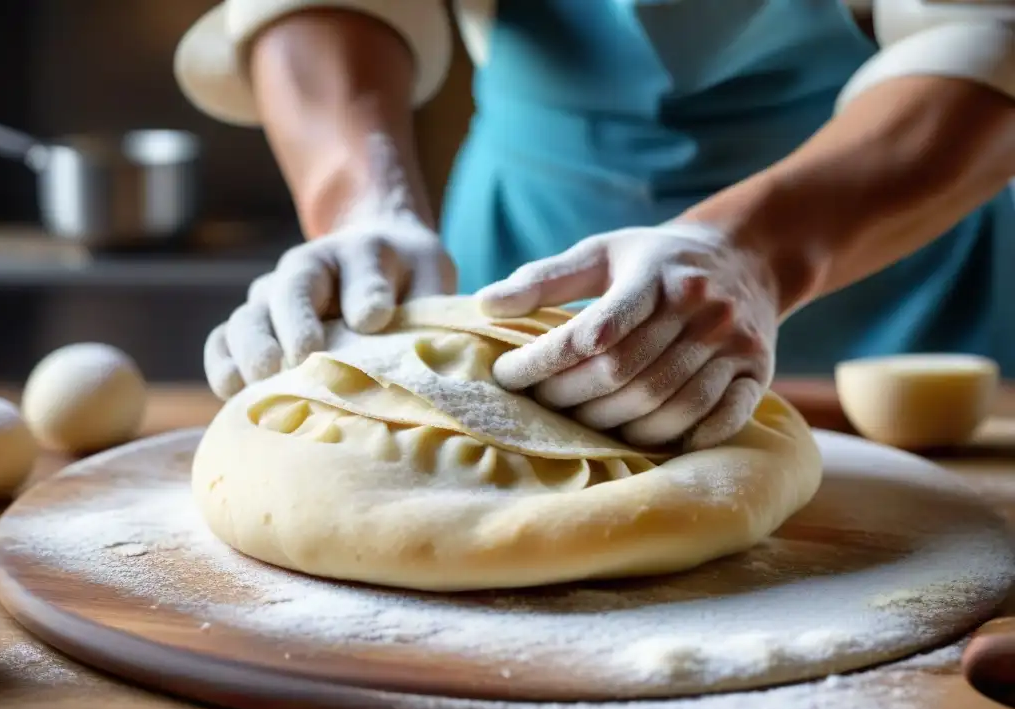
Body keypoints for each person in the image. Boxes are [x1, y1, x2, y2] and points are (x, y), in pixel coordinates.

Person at [175, 0, 1015, 450]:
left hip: (881, 222)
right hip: (522, 232)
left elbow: (987, 30)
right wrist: (365, 203)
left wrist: (754, 255)